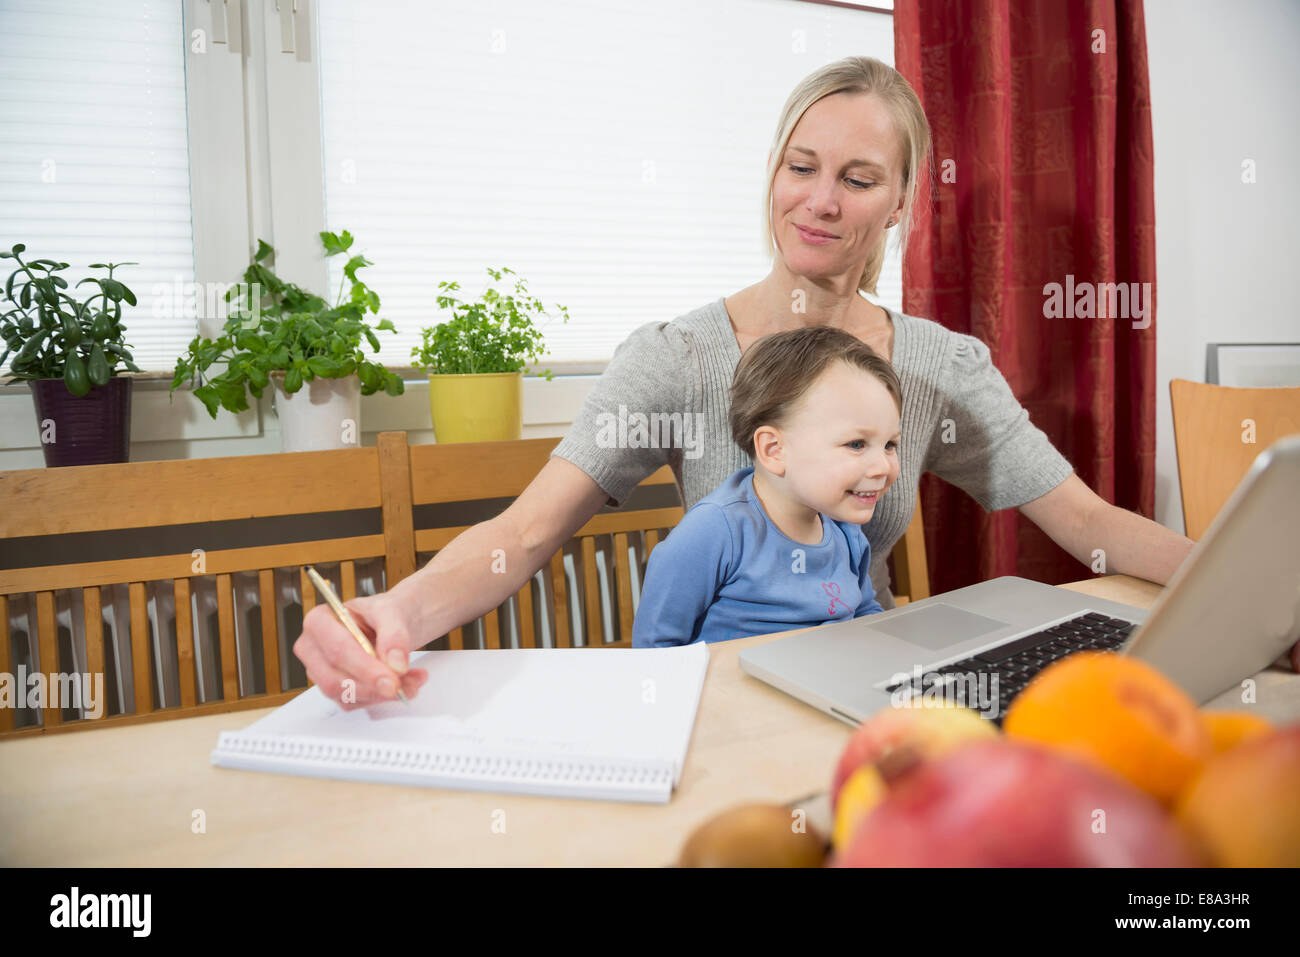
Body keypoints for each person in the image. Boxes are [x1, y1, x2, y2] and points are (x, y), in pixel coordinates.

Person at [295, 55, 1226, 710]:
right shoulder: (676, 357)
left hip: (870, 694)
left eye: (860, 178)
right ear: (774, 173)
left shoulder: (940, 366)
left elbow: (1090, 525)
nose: (820, 201)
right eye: (801, 166)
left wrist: (1247, 581)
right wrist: (395, 614)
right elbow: (525, 533)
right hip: (731, 701)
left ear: (903, 202)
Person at [632, 325, 900, 647]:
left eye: (890, 444)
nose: (883, 466)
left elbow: (863, 609)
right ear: (774, 450)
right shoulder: (713, 532)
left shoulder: (845, 530)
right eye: (857, 444)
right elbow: (654, 650)